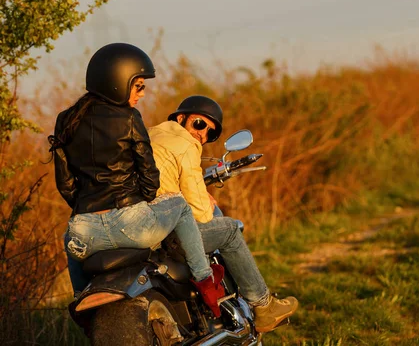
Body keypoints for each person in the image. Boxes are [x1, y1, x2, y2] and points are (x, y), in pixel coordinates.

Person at [49, 43, 222, 312]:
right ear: (118, 81)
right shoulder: (129, 117)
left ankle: (82, 299)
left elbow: (65, 183)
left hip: (83, 232)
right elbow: (149, 175)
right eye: (138, 85)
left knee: (70, 238)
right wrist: (141, 202)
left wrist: (88, 209)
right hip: (132, 225)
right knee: (179, 204)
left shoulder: (65, 120)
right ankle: (205, 281)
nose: (142, 93)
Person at [148, 95, 299, 333]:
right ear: (181, 118)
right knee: (228, 230)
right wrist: (203, 198)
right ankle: (263, 306)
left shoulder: (150, 135)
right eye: (199, 124)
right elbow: (200, 213)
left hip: (141, 225)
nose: (202, 135)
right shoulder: (185, 145)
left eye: (210, 133)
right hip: (168, 232)